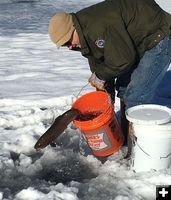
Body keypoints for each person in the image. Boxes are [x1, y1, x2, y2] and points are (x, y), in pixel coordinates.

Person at [48, 0, 171, 141]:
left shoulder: (99, 27)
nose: (69, 47)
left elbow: (123, 60)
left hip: (160, 36)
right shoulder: (83, 34)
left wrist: (100, 75)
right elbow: (99, 60)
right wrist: (105, 91)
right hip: (136, 41)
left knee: (136, 97)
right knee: (124, 90)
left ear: (74, 28)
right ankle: (126, 136)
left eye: (68, 41)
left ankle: (140, 149)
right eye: (65, 45)